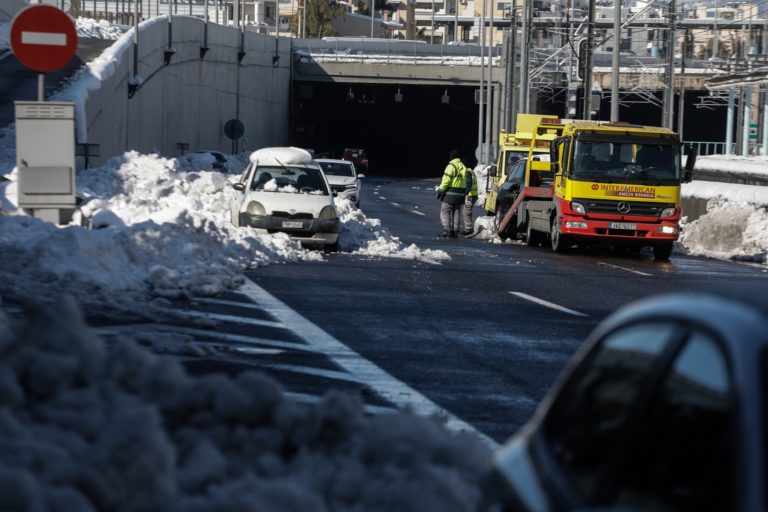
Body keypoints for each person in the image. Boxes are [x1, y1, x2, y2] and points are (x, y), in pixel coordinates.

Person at [437, 149, 469, 238]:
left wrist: (440, 190)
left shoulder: (451, 166)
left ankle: (447, 230)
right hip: (460, 194)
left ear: (451, 157)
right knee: (456, 211)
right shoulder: (463, 166)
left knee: (445, 211)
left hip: (450, 193)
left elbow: (446, 180)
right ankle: (455, 231)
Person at [462, 164, 479, 236]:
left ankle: (468, 229)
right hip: (473, 194)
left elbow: (468, 183)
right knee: (467, 211)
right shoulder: (471, 171)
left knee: (466, 211)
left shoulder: (467, 172)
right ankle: (469, 228)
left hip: (470, 195)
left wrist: (466, 192)